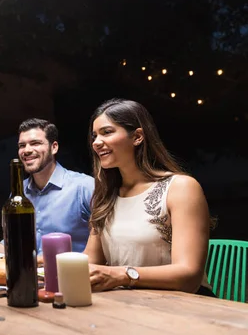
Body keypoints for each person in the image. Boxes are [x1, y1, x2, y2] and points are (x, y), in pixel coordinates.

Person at [84, 98, 214, 296]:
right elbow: (90, 262)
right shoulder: (106, 196)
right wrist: (43, 262)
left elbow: (189, 275)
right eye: (94, 136)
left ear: (137, 137)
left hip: (186, 307)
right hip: (129, 305)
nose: (96, 142)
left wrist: (121, 275)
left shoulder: (180, 187)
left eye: (107, 132)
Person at [0, 118, 95, 255]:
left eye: (35, 143)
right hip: (29, 277)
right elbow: (12, 247)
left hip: (72, 277)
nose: (26, 150)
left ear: (54, 147)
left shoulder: (84, 187)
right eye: (22, 145)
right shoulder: (19, 194)